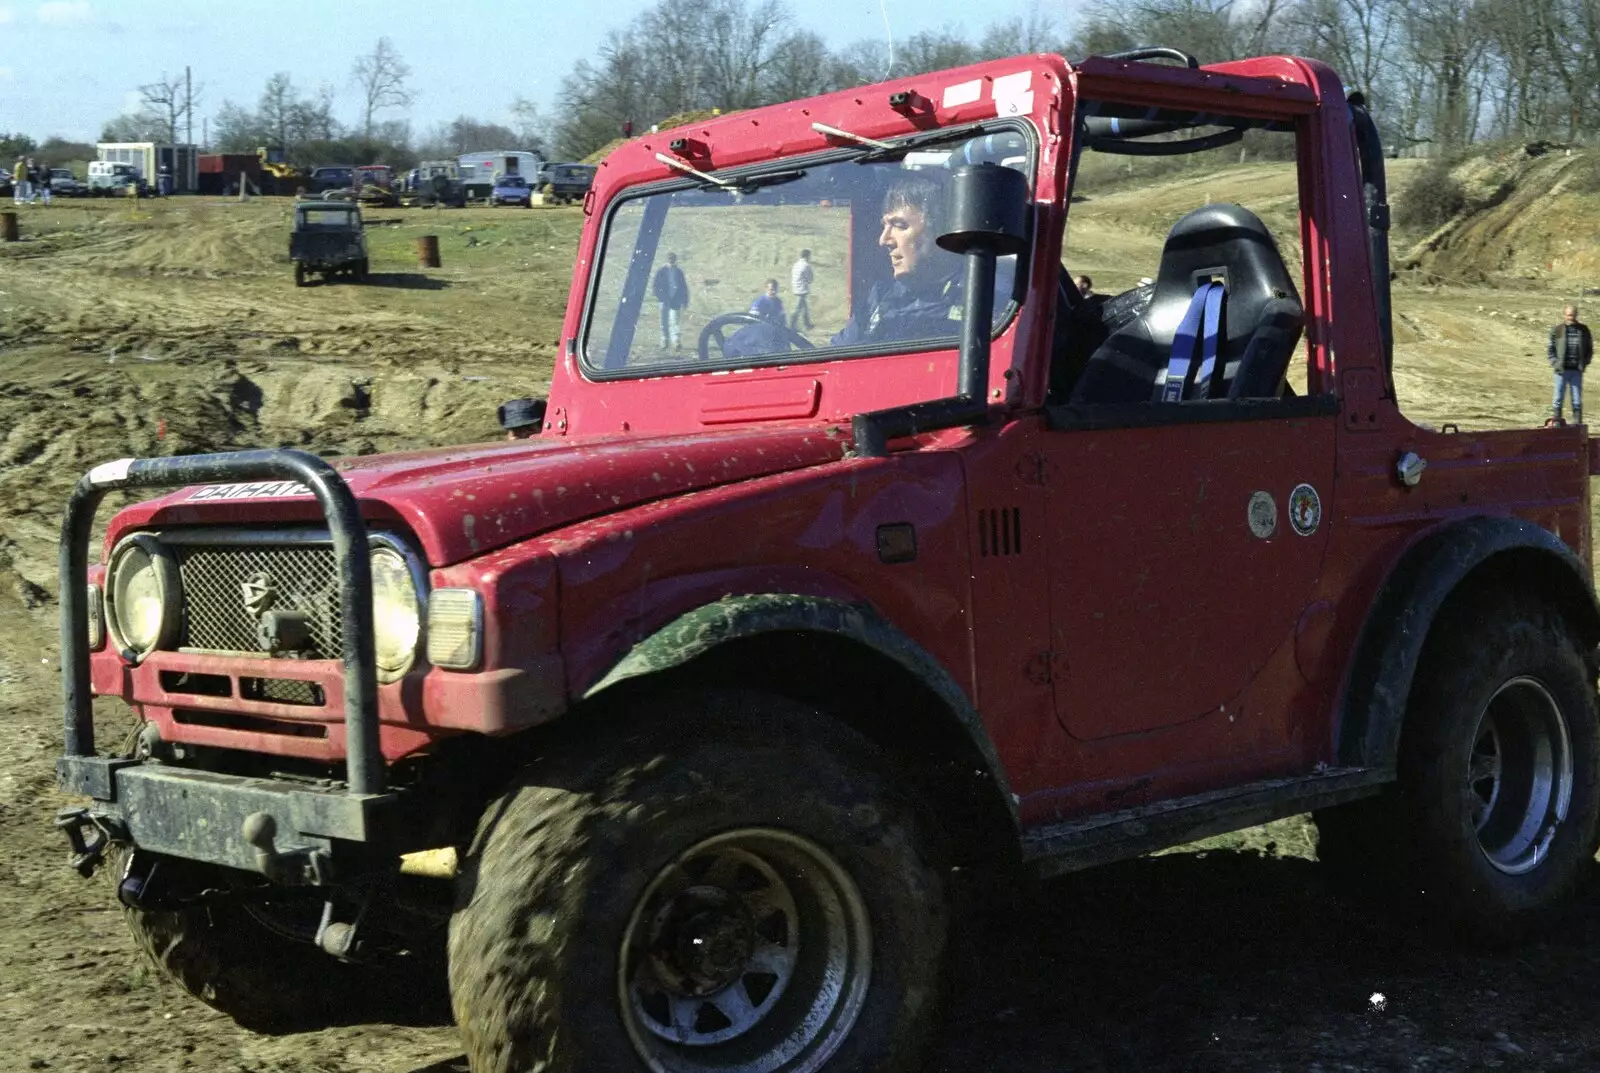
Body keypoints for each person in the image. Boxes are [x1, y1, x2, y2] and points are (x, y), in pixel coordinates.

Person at [828, 174, 967, 348]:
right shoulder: (881, 296)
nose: (884, 240)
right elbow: (837, 355)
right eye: (885, 226)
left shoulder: (979, 294)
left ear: (940, 230)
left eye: (900, 226)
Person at [1549, 303, 1593, 425]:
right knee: (1558, 398)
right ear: (1564, 315)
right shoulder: (1557, 330)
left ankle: (1577, 425)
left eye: (1573, 315)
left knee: (1577, 400)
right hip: (1561, 371)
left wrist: (1585, 362)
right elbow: (1551, 348)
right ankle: (1557, 423)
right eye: (1569, 315)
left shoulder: (1583, 330)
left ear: (1576, 315)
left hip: (1576, 371)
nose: (1571, 318)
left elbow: (1589, 348)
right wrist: (1554, 362)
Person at [652, 251, 689, 350]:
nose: (671, 260)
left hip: (675, 299)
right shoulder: (662, 271)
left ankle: (676, 341)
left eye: (673, 258)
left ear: (675, 259)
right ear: (667, 259)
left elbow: (683, 286)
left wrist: (685, 300)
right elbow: (656, 285)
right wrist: (659, 296)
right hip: (664, 299)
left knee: (675, 321)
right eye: (670, 258)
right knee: (664, 321)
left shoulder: (679, 272)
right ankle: (665, 340)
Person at [789, 249, 814, 330]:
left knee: (804, 308)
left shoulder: (796, 264)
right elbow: (810, 279)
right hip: (802, 289)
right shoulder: (806, 265)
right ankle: (792, 325)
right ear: (807, 256)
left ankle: (807, 324)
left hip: (796, 287)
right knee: (798, 308)